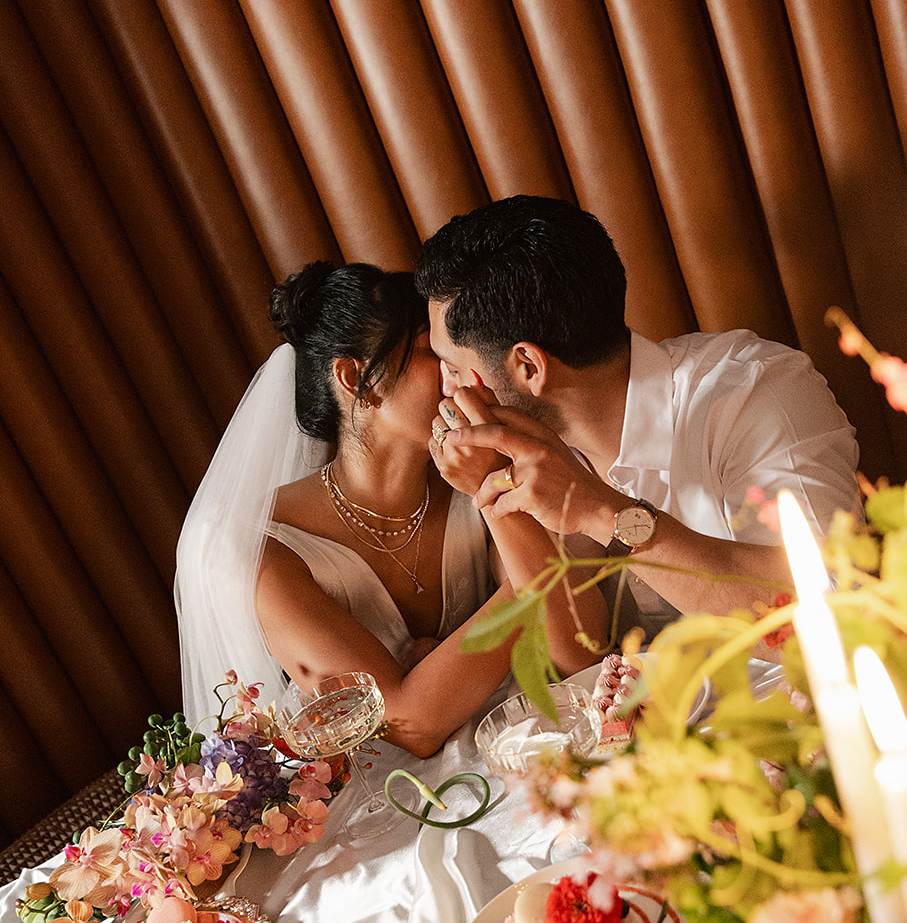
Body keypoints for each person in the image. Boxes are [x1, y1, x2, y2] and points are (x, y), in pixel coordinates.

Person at [175, 259, 605, 756]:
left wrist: (491, 490)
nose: (462, 377)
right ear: (357, 378)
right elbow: (411, 726)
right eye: (433, 352)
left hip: (518, 750)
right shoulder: (256, 548)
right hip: (381, 803)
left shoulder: (478, 471)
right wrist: (526, 591)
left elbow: (581, 647)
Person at [415, 196, 860, 637]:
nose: (447, 391)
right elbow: (577, 654)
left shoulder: (754, 394)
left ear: (528, 366)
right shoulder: (541, 453)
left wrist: (601, 510)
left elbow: (832, 612)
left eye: (453, 369)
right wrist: (489, 487)